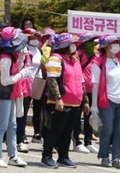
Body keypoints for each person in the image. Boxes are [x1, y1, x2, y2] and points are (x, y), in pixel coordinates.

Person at [41, 33, 90, 169]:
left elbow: (81, 82)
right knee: (54, 130)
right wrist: (58, 99)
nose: (74, 46)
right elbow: (52, 80)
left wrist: (85, 101)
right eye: (71, 44)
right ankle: (46, 156)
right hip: (60, 102)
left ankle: (63, 156)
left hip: (75, 102)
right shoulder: (55, 59)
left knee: (67, 132)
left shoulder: (75, 60)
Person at [0, 27, 31, 168]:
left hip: (12, 93)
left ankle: (13, 155)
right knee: (2, 126)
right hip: (4, 94)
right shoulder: (5, 59)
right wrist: (23, 74)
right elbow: (5, 80)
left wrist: (21, 57)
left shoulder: (12, 56)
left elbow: (17, 69)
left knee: (13, 125)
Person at [91, 35, 120, 168]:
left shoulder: (119, 60)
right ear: (106, 46)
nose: (116, 45)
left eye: (117, 43)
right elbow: (95, 86)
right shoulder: (99, 63)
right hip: (107, 101)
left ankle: (117, 157)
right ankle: (104, 156)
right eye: (113, 43)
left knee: (119, 130)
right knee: (108, 129)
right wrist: (94, 106)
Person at [72, 33, 98, 154]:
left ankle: (88, 141)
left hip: (92, 90)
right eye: (90, 41)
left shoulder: (95, 56)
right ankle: (77, 142)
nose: (92, 44)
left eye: (93, 41)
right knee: (77, 117)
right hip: (80, 90)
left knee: (90, 117)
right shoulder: (78, 54)